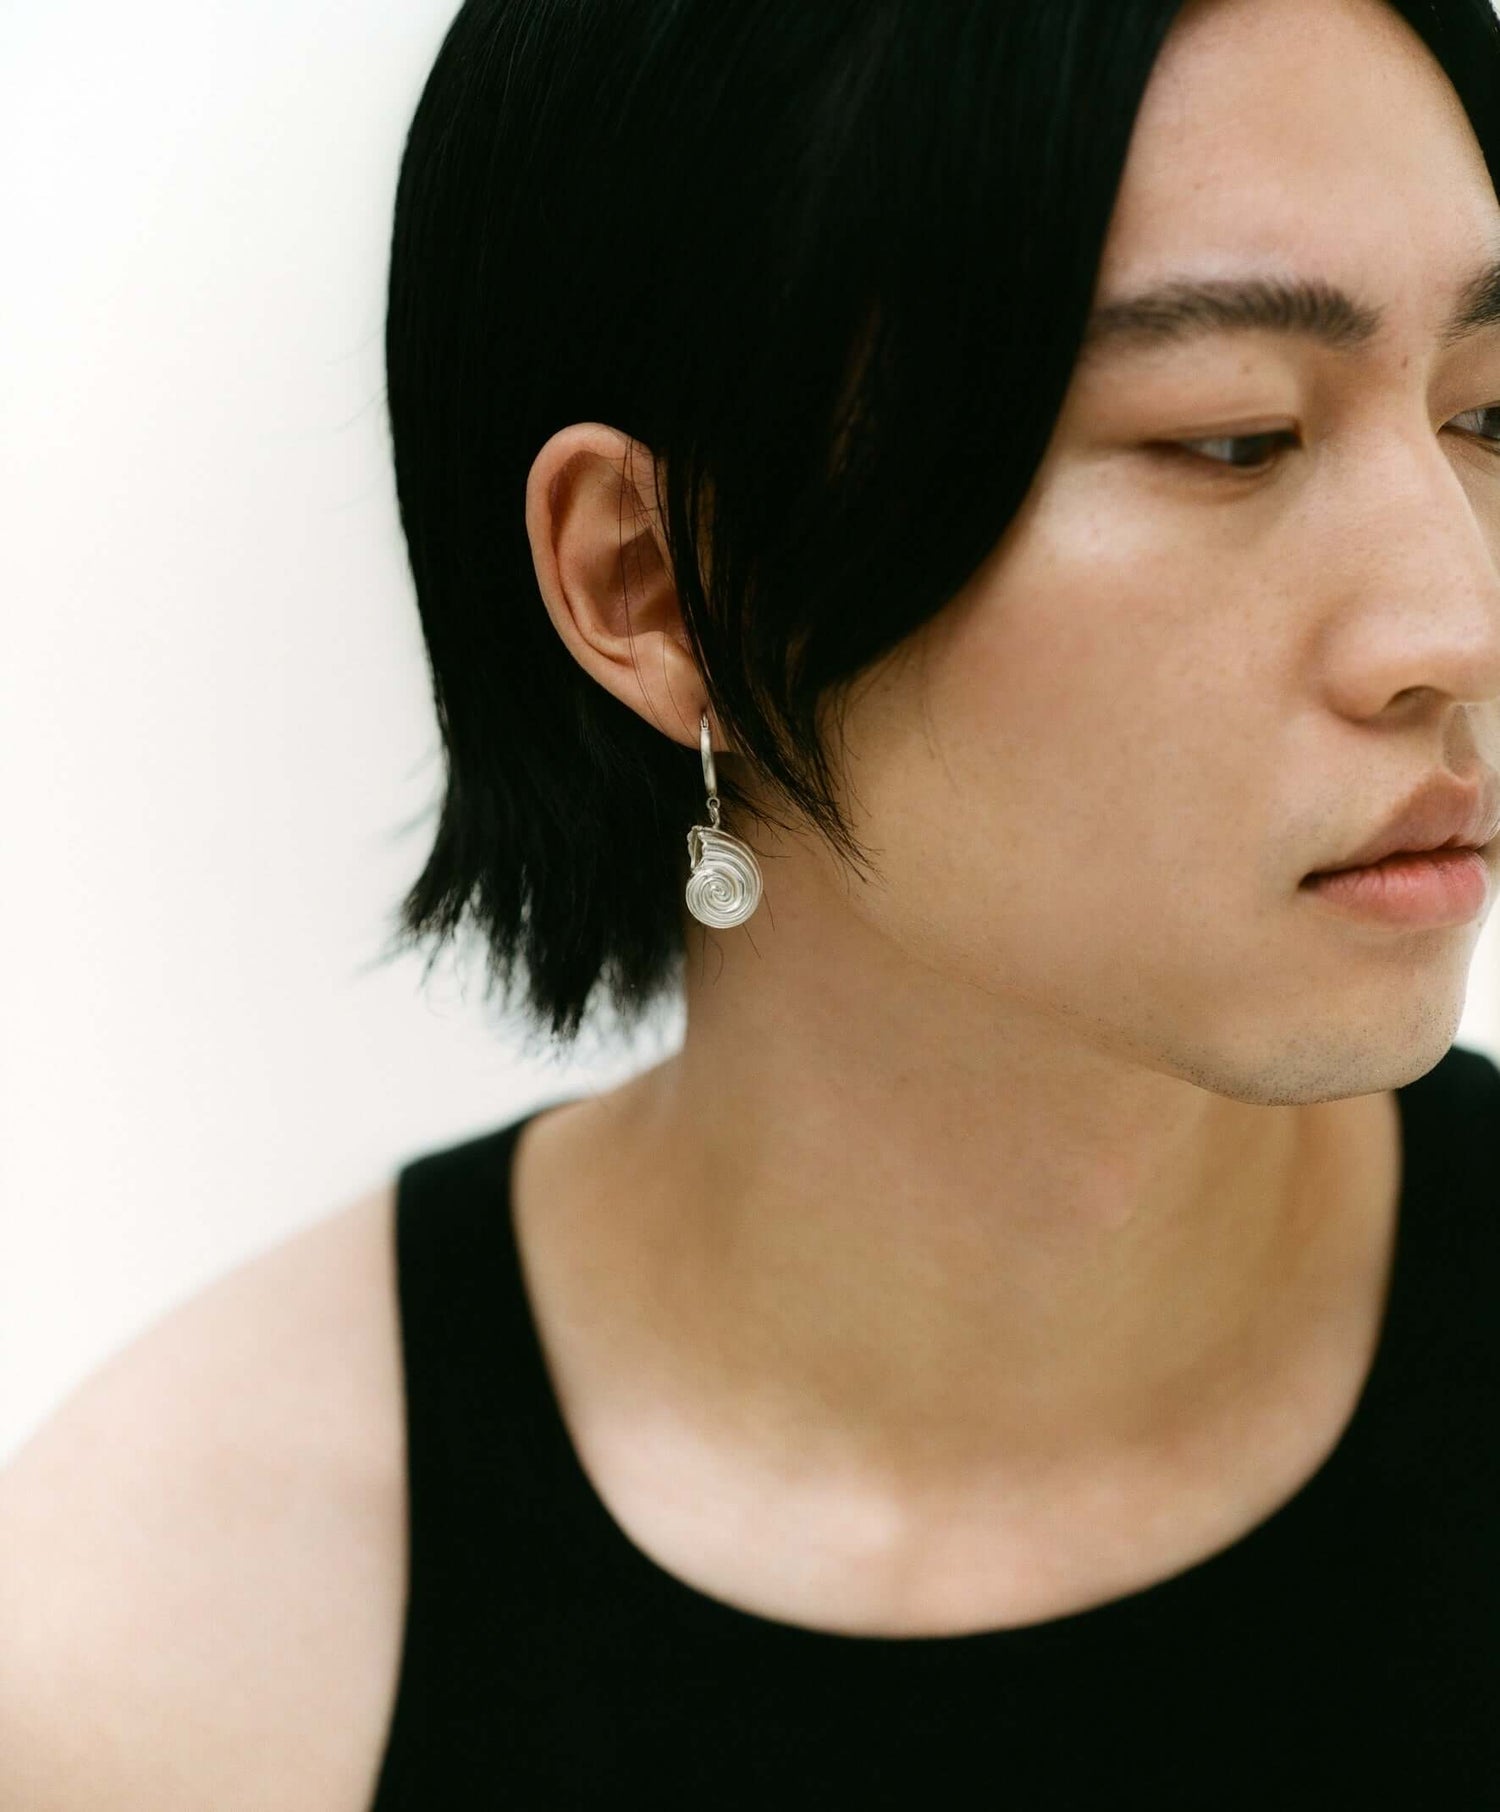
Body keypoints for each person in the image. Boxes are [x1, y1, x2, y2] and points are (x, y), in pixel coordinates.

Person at [4, 0, 1500, 1804]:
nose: (1458, 620)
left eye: (1486, 413)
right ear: (650, 580)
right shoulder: (177, 1653)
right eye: (1234, 437)